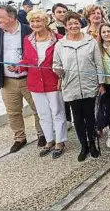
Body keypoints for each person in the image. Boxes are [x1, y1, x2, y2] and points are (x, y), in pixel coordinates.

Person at [0, 5, 44, 153]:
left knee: (38, 108)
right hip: (8, 80)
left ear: (11, 17)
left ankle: (42, 134)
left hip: (28, 78)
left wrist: (21, 65)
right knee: (13, 112)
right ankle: (19, 138)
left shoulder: (28, 30)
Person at [12, 10, 67, 159]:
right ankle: (49, 140)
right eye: (32, 21)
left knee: (57, 112)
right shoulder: (27, 39)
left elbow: (63, 61)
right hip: (35, 83)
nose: (35, 24)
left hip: (53, 81)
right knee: (43, 114)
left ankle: (60, 141)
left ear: (45, 22)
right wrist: (18, 67)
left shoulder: (58, 39)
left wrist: (61, 77)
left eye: (39, 21)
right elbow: (27, 60)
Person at [53, 11, 105, 162]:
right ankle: (84, 146)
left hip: (89, 86)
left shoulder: (90, 42)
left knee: (90, 118)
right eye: (70, 24)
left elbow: (98, 64)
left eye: (76, 23)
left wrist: (101, 83)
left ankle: (92, 144)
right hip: (71, 86)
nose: (73, 26)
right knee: (77, 119)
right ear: (66, 26)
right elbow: (56, 64)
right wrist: (57, 70)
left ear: (80, 24)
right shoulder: (60, 45)